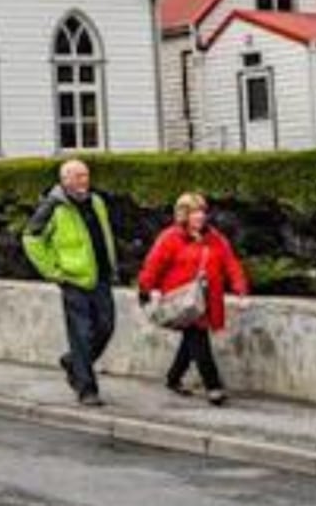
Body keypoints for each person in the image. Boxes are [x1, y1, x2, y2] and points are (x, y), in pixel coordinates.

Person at [22, 158, 123, 407]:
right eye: (77, 176)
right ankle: (86, 389)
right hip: (73, 280)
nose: (83, 181)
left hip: (100, 277)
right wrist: (53, 272)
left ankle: (72, 362)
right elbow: (30, 238)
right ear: (64, 180)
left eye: (85, 176)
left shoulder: (97, 202)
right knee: (81, 333)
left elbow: (103, 235)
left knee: (106, 328)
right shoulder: (52, 206)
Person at [138, 193, 251, 405]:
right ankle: (213, 386)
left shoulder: (216, 238)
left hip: (208, 298)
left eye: (202, 211)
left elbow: (231, 265)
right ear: (183, 215)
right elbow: (153, 265)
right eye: (194, 212)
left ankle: (173, 377)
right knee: (198, 337)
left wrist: (241, 290)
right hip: (183, 300)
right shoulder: (170, 237)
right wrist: (147, 289)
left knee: (192, 339)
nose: (200, 216)